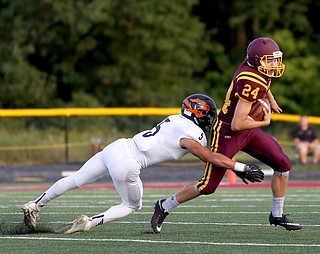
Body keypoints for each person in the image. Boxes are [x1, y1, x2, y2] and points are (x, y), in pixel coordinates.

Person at [21, 93, 264, 234]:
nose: (210, 121)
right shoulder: (192, 134)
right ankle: (89, 223)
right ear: (199, 116)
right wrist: (241, 167)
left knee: (75, 179)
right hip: (129, 162)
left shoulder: (175, 119)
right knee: (131, 206)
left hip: (118, 146)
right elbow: (209, 157)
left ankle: (36, 204)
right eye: (208, 116)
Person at [151, 37, 302, 234]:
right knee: (208, 185)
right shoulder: (249, 80)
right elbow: (238, 123)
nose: (275, 64)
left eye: (276, 60)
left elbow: (265, 83)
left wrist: (270, 99)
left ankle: (277, 214)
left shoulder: (256, 67)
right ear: (257, 61)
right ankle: (164, 206)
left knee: (283, 164)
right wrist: (265, 122)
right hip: (229, 131)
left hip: (248, 129)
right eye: (270, 60)